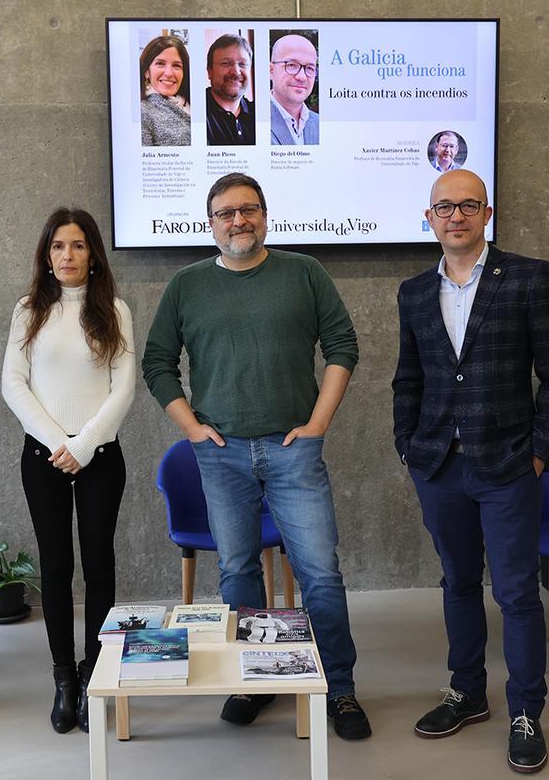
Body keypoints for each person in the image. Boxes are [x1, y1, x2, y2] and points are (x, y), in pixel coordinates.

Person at [142, 172, 371, 740]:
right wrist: (191, 428)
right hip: (221, 456)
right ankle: (257, 676)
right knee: (239, 571)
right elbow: (157, 363)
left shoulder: (304, 272)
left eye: (248, 210)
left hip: (293, 451)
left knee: (320, 572)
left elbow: (343, 346)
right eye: (225, 213)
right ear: (210, 222)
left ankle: (338, 687)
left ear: (265, 216)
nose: (238, 221)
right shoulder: (187, 285)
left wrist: (318, 424)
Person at [392, 169, 549, 773]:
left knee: (518, 592)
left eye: (468, 205)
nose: (456, 216)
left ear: (487, 212)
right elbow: (409, 378)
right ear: (429, 218)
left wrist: (541, 450)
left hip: (508, 464)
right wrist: (407, 446)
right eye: (444, 207)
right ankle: (467, 692)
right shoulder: (415, 292)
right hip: (439, 464)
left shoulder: (527, 277)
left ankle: (526, 710)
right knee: (458, 583)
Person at [1, 208, 134, 734]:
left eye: (78, 246)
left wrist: (84, 445)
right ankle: (64, 678)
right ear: (46, 254)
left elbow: (123, 389)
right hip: (43, 459)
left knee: (98, 566)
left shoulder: (115, 310)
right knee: (55, 569)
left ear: (94, 254)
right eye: (58, 246)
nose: (67, 256)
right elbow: (14, 385)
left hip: (101, 459)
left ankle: (95, 668)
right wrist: (61, 444)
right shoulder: (28, 310)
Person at [139, 34, 191, 146]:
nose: (168, 73)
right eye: (160, 64)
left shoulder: (197, 104)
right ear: (146, 71)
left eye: (176, 66)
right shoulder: (142, 112)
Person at [268, 33, 320, 145]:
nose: (302, 77)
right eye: (291, 65)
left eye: (310, 68)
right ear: (271, 70)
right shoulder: (253, 121)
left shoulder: (320, 123)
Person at [205, 34, 255, 146]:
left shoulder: (260, 114)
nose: (236, 72)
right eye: (225, 63)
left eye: (242, 64)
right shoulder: (194, 111)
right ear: (210, 71)